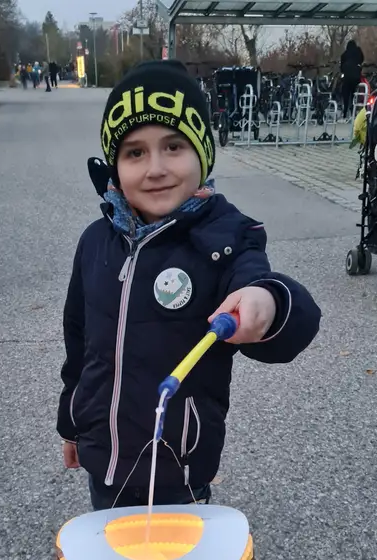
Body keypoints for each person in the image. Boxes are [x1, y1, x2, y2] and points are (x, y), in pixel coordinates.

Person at [58, 60, 322, 510]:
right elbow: (80, 343)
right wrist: (70, 421)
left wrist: (268, 301)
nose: (155, 168)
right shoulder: (95, 242)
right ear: (114, 166)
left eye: (173, 146)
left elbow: (285, 317)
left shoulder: (227, 239)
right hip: (104, 461)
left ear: (202, 152)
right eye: (135, 153)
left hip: (180, 467)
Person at [337, 38, 364, 117]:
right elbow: (362, 59)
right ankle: (353, 110)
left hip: (347, 77)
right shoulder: (358, 51)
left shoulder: (344, 54)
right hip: (356, 77)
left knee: (346, 94)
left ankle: (345, 112)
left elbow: (341, 67)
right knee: (354, 93)